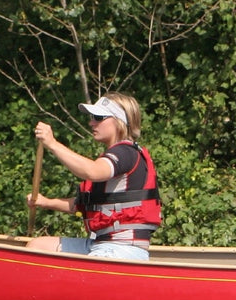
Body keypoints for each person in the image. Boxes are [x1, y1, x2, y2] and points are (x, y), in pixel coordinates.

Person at [25, 92, 160, 260]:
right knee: (37, 246)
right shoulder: (114, 155)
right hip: (100, 243)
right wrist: (45, 202)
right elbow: (83, 204)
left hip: (121, 248)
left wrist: (52, 144)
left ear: (119, 122)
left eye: (98, 117)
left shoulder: (125, 153)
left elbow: (92, 172)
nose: (91, 122)